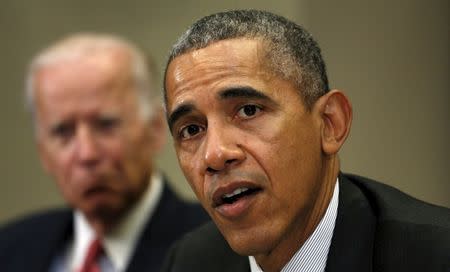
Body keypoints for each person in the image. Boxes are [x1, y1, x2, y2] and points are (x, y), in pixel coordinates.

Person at [161, 10, 450, 272]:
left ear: (330, 124)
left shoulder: (436, 255)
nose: (214, 154)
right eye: (191, 130)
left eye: (248, 110)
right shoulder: (189, 262)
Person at [0, 33, 209, 272]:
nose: (87, 154)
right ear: (43, 152)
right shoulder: (9, 250)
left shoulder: (218, 247)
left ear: (155, 130)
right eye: (63, 132)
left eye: (106, 125)